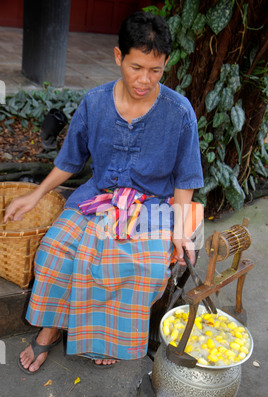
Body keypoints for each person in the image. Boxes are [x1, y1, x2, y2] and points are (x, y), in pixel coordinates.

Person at [4, 11, 203, 373]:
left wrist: (178, 229)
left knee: (139, 265)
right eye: (136, 67)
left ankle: (105, 336)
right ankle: (51, 330)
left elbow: (185, 180)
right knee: (55, 250)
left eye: (155, 70)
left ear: (165, 65)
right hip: (96, 197)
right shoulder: (94, 103)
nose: (144, 80)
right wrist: (35, 194)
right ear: (118, 57)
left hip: (152, 206)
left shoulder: (179, 112)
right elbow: (70, 161)